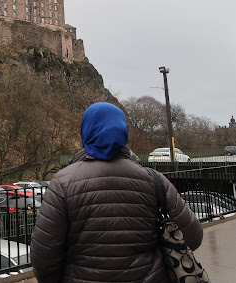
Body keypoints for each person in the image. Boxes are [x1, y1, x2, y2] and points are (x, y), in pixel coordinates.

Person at [30, 102, 202, 282]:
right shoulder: (154, 180)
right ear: (123, 132)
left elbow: (44, 258)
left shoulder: (63, 182)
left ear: (86, 131)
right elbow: (194, 237)